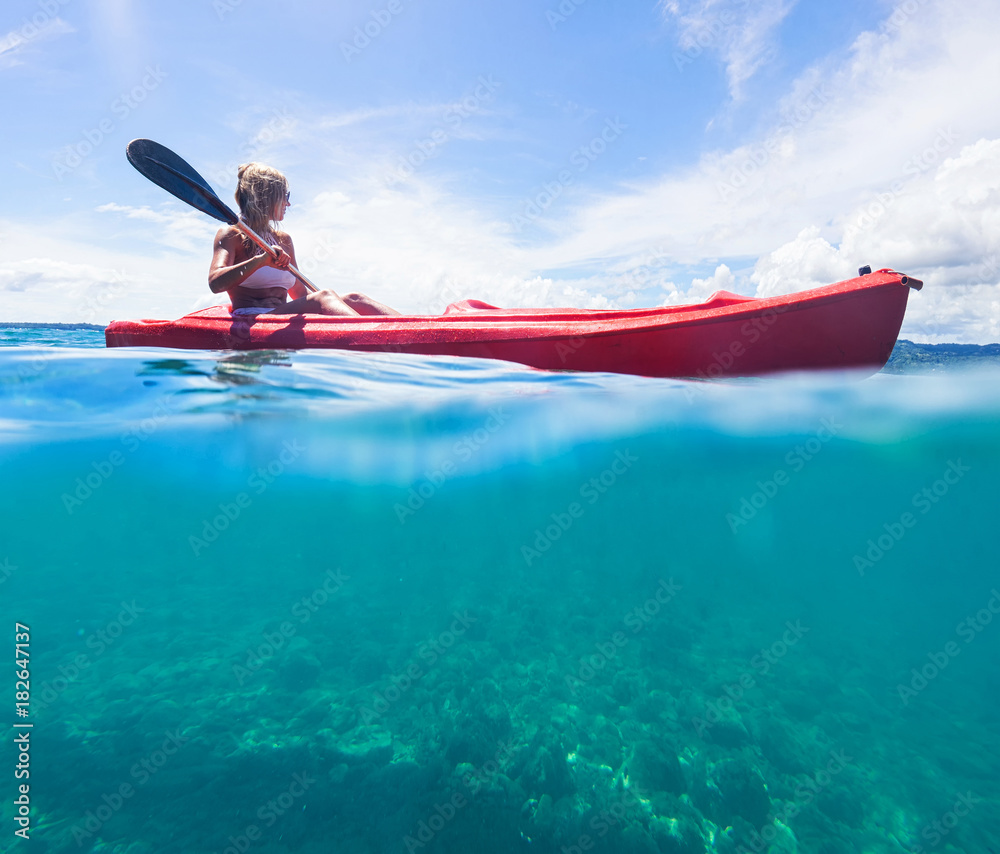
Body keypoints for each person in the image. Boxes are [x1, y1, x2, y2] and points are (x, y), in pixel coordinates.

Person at [208, 162, 399, 317]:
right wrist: (259, 262)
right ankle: (371, 336)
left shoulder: (284, 240)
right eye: (285, 196)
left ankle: (415, 327)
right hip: (251, 317)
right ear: (267, 197)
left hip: (281, 315)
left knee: (354, 298)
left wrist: (335, 303)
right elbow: (216, 284)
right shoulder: (232, 234)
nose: (288, 203)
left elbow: (298, 293)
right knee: (325, 296)